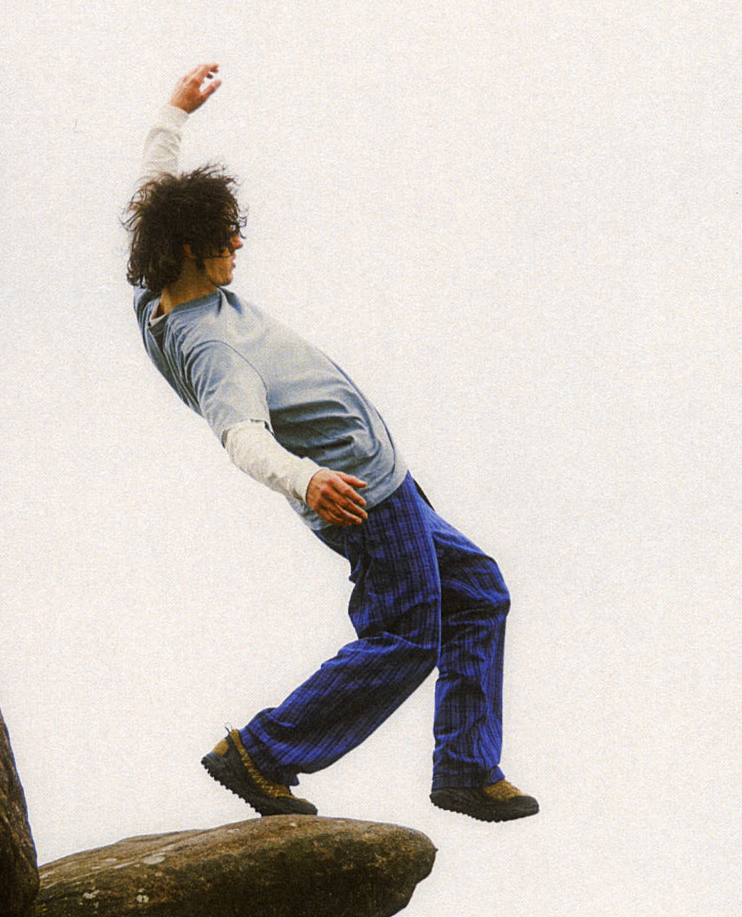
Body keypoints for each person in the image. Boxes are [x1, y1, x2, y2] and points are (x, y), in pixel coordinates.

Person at [125, 63, 538, 822]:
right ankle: (261, 753)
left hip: (386, 482)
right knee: (406, 634)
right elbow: (240, 438)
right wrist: (307, 480)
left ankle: (465, 767)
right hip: (358, 497)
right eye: (224, 237)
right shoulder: (211, 347)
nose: (238, 243)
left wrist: (173, 114)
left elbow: (153, 191)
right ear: (186, 248)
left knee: (479, 592)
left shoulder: (157, 290)